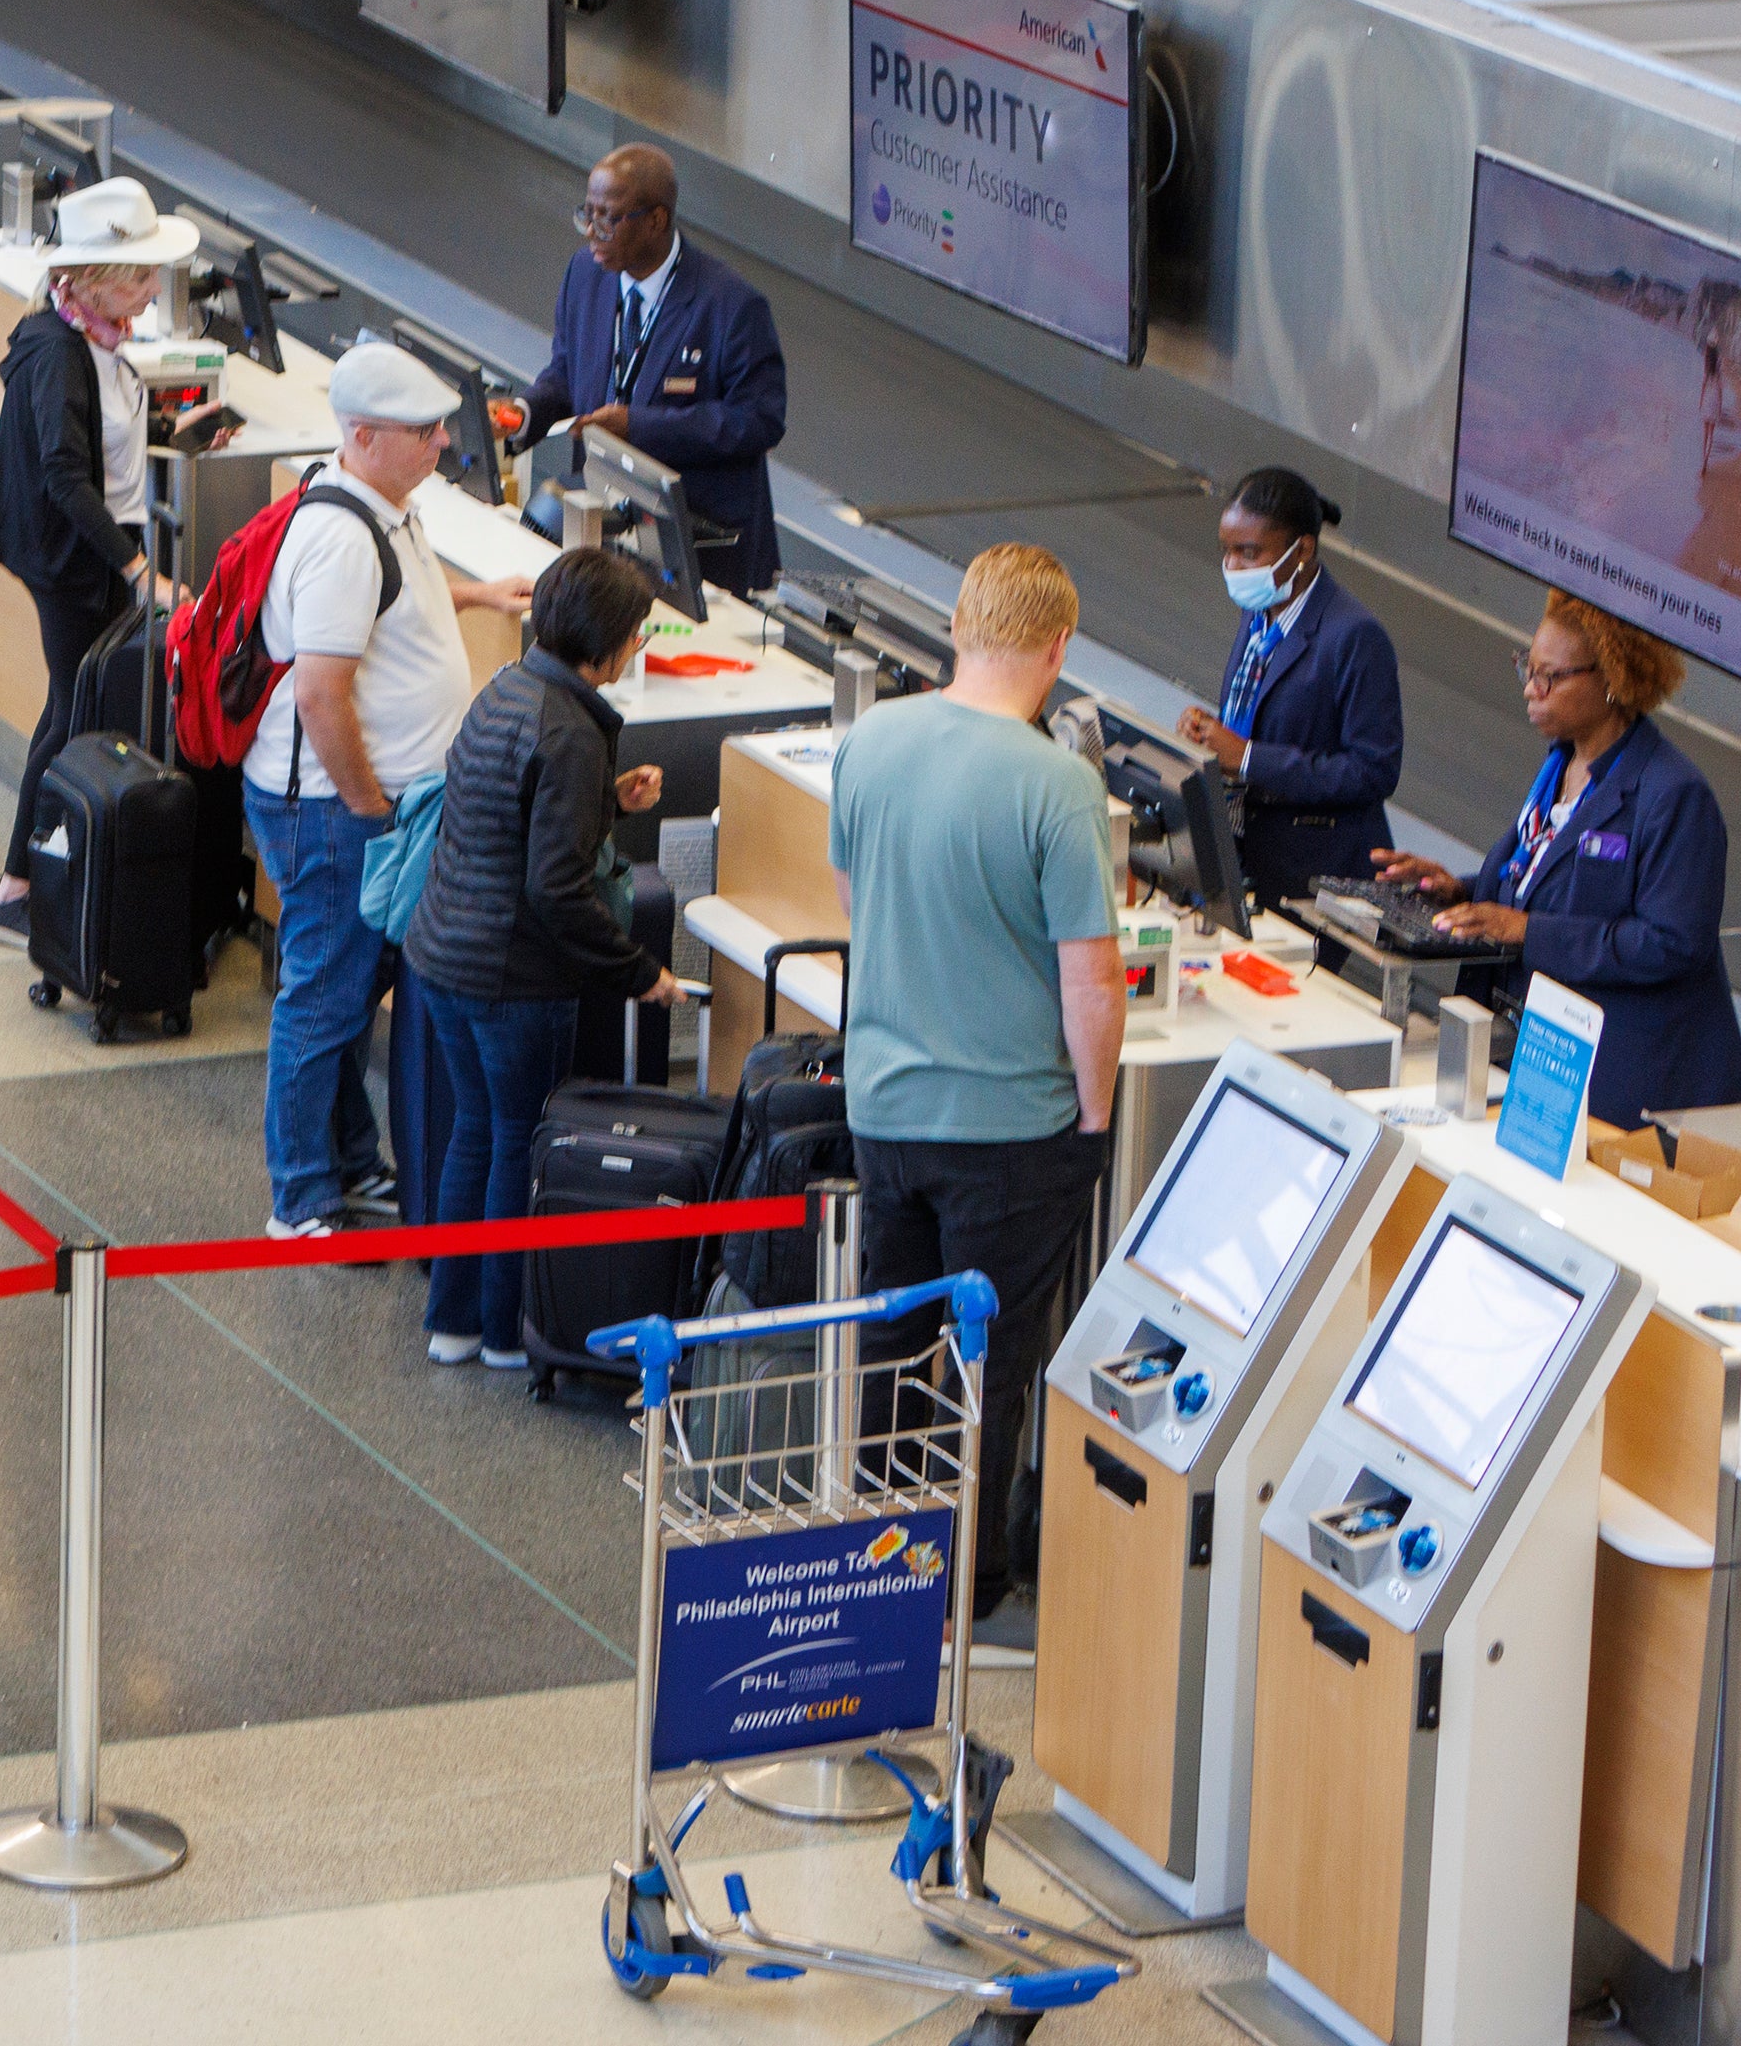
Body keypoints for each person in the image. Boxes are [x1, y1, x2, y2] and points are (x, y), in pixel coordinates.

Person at [829, 542, 1121, 1644]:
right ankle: (967, 1581)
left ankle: (878, 1561)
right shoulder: (1059, 786)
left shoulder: (874, 742)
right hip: (1010, 1127)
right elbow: (1090, 980)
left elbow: (860, 905)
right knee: (986, 1366)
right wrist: (1092, 1121)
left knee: (892, 1346)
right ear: (1058, 649)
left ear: (958, 627)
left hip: (885, 1105)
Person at [243, 341, 522, 1240]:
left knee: (352, 990)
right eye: (422, 429)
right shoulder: (340, 537)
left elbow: (401, 601)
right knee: (325, 997)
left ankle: (351, 1166)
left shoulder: (386, 509)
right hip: (332, 809)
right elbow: (322, 694)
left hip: (363, 803)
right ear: (363, 436)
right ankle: (300, 1196)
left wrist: (478, 597)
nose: (444, 440)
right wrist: (367, 804)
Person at [400, 549, 677, 1367]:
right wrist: (640, 972)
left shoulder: (509, 688)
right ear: (611, 642)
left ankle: (452, 1319)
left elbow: (505, 814)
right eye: (637, 632)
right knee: (519, 1140)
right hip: (512, 977)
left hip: (443, 949)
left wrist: (606, 798)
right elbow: (557, 891)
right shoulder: (571, 730)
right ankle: (503, 1332)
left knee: (474, 1134)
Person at [1372, 591, 1741, 1125]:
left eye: (1550, 676)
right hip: (1542, 1057)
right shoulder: (1562, 764)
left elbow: (1672, 944)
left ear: (1613, 680)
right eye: (1528, 667)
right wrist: (1465, 890)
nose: (1531, 688)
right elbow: (1549, 877)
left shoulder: (1674, 796)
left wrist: (1526, 930)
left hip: (1633, 1092)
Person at [0, 177, 189, 946]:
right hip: (74, 564)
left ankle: (29, 873)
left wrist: (167, 426)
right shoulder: (59, 357)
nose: (151, 288)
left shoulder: (94, 343)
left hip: (88, 553)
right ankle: (14, 889)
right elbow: (67, 477)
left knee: (69, 708)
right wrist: (137, 569)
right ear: (85, 282)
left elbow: (105, 438)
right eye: (136, 277)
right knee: (70, 714)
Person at [510, 144, 787, 595]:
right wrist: (524, 411)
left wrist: (639, 426)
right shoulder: (585, 273)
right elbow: (568, 369)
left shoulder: (732, 306)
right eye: (587, 213)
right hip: (603, 531)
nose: (592, 233)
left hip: (700, 551)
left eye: (608, 218)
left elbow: (758, 421)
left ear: (656, 220)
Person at [1173, 465, 1401, 903]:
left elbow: (1374, 771)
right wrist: (1212, 732)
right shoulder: (1261, 607)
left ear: (1301, 550)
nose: (1232, 567)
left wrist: (1246, 757)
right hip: (1244, 850)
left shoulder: (1355, 637)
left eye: (1249, 553)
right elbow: (1266, 711)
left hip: (1313, 874)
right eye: (1227, 551)